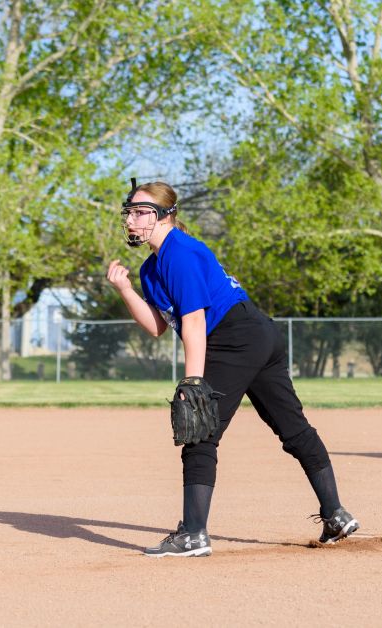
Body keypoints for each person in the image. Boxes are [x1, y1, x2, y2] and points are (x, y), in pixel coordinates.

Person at [106, 180, 359, 557]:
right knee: (293, 430)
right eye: (131, 211)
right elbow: (160, 327)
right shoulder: (151, 269)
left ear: (166, 216)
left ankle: (193, 534)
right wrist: (126, 291)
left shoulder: (181, 253)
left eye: (142, 212)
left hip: (235, 336)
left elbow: (194, 323)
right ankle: (335, 514)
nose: (132, 219)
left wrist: (192, 382)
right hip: (255, 335)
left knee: (199, 433)